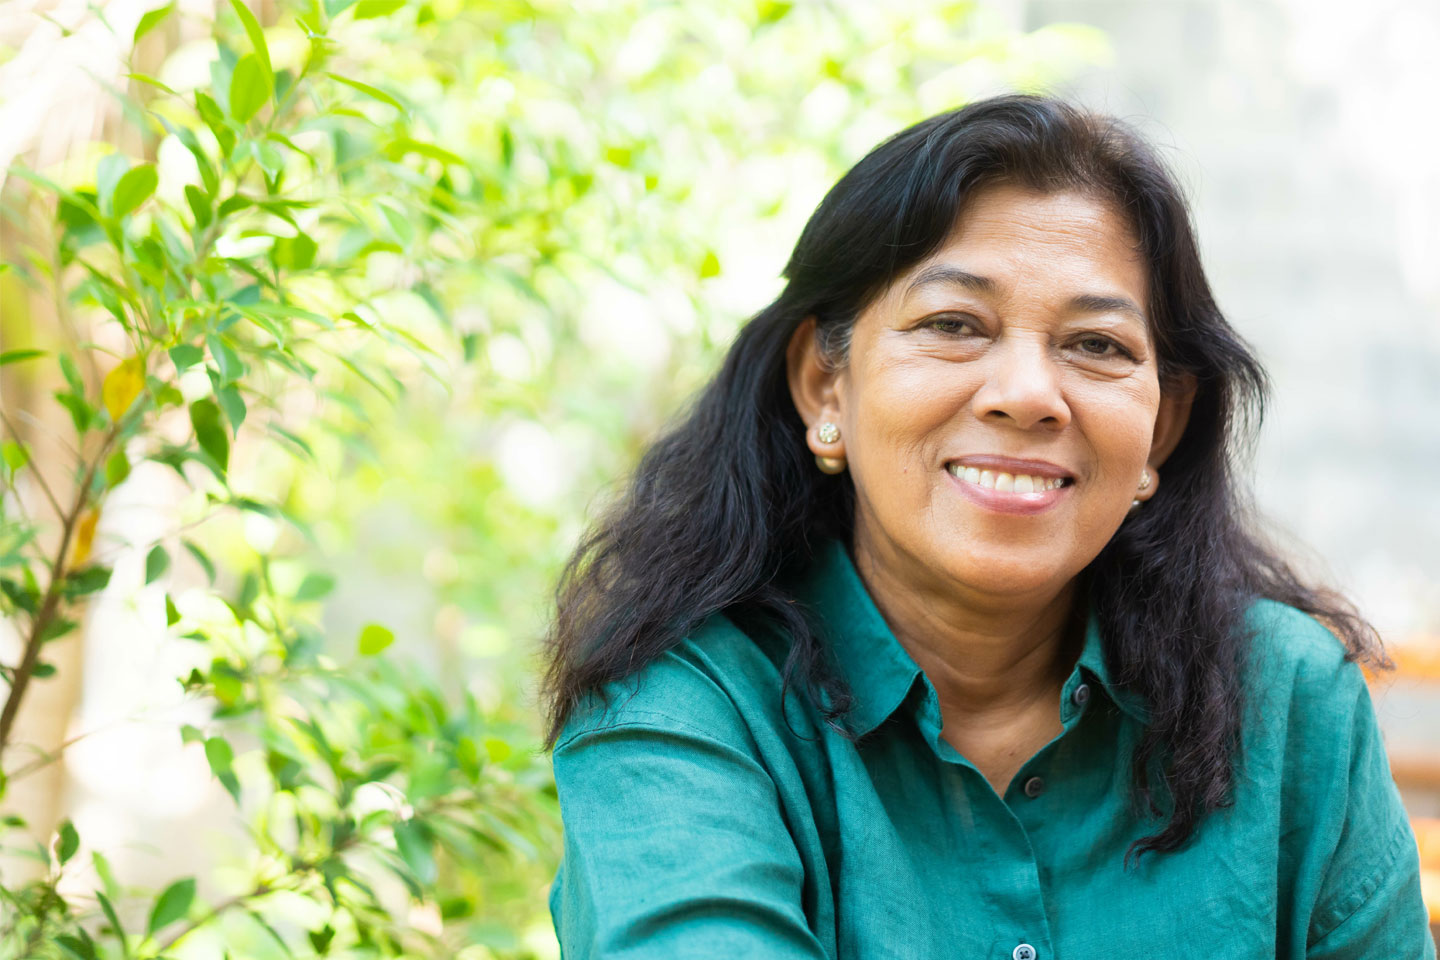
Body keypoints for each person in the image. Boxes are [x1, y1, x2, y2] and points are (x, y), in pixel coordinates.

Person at [537, 95, 1436, 958]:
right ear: (824, 386)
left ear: (1161, 426)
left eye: (1097, 345)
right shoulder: (687, 705)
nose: (1027, 395)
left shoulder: (1286, 697)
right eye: (954, 324)